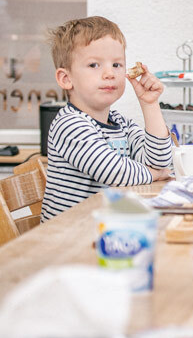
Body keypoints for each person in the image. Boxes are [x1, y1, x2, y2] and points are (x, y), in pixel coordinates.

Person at [41, 16, 173, 221]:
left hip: (104, 228)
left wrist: (150, 104)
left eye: (117, 65)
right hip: (67, 237)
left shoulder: (121, 123)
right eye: (94, 65)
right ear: (66, 79)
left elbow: (161, 161)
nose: (109, 73)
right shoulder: (70, 124)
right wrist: (155, 174)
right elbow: (115, 173)